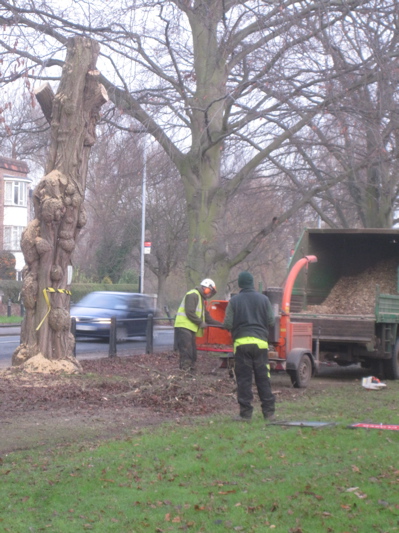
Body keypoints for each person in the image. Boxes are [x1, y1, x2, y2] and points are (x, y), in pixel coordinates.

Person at [223, 271, 276, 422]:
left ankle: (245, 414)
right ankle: (269, 413)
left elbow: (227, 323)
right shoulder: (264, 299)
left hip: (242, 345)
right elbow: (271, 321)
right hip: (260, 345)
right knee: (263, 379)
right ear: (252, 283)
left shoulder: (234, 301)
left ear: (240, 284)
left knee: (244, 380)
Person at [174, 278, 222, 371]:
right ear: (206, 288)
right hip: (183, 326)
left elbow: (207, 317)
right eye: (210, 291)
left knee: (192, 353)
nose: (210, 294)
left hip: (190, 328)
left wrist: (221, 325)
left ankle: (190, 371)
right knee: (186, 352)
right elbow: (190, 312)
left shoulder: (200, 298)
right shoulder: (193, 295)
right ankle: (185, 372)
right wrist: (200, 323)